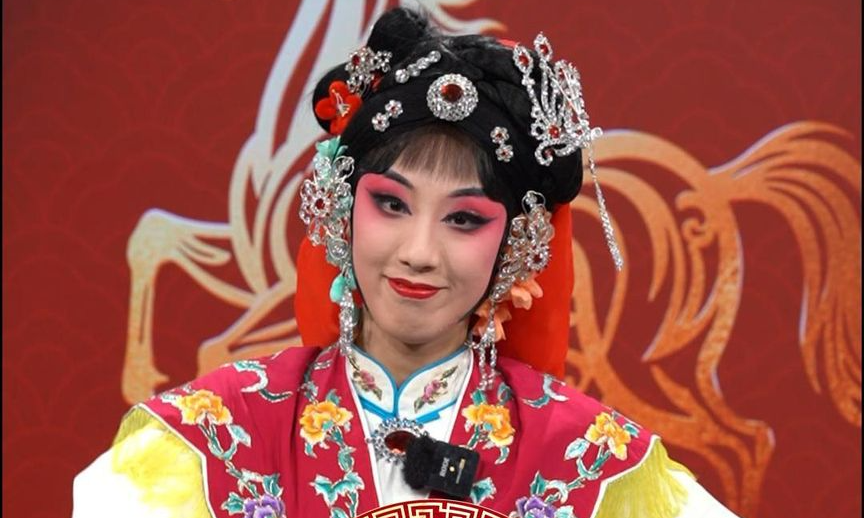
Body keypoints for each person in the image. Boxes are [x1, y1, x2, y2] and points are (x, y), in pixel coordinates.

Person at [73, 7, 739, 518]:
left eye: (464, 219)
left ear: (516, 244)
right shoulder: (218, 438)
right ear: (342, 207)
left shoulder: (589, 462)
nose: (418, 253)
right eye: (391, 205)